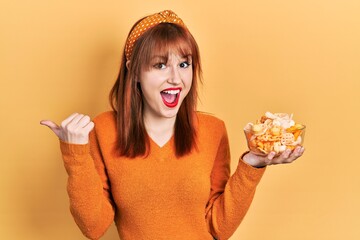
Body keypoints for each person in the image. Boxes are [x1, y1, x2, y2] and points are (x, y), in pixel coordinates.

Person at [40, 10, 305, 240]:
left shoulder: (213, 130)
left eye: (184, 64)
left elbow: (219, 228)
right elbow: (93, 227)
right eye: (160, 65)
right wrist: (75, 155)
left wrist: (253, 163)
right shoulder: (104, 129)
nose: (175, 78)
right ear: (134, 71)